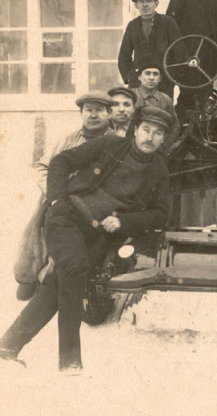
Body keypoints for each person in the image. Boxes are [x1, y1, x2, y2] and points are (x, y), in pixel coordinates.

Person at [0, 106, 172, 374]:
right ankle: (70, 362)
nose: (150, 137)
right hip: (67, 217)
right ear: (135, 130)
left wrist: (124, 222)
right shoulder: (110, 145)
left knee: (57, 284)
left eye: (158, 133)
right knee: (76, 267)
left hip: (98, 234)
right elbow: (61, 161)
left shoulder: (159, 170)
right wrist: (57, 199)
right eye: (146, 129)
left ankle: (7, 346)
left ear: (163, 139)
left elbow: (161, 214)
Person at [14, 91, 116, 301]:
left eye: (99, 110)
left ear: (109, 113)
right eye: (88, 110)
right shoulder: (69, 139)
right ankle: (29, 277)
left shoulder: (116, 142)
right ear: (81, 114)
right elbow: (43, 167)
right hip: (59, 198)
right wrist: (55, 193)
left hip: (93, 206)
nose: (93, 115)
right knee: (36, 235)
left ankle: (53, 287)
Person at [118, 0, 183, 98]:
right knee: (138, 108)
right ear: (136, 5)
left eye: (149, 1)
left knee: (163, 107)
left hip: (163, 81)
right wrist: (129, 76)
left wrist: (171, 76)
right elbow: (124, 55)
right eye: (141, 1)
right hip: (138, 82)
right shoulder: (132, 26)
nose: (145, 5)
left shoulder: (168, 23)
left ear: (156, 3)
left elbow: (180, 52)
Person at [134, 58, 181, 154]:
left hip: (155, 150)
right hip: (132, 148)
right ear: (139, 77)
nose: (151, 78)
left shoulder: (166, 100)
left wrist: (163, 146)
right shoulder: (131, 96)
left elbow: (175, 126)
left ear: (160, 79)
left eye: (155, 74)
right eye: (147, 73)